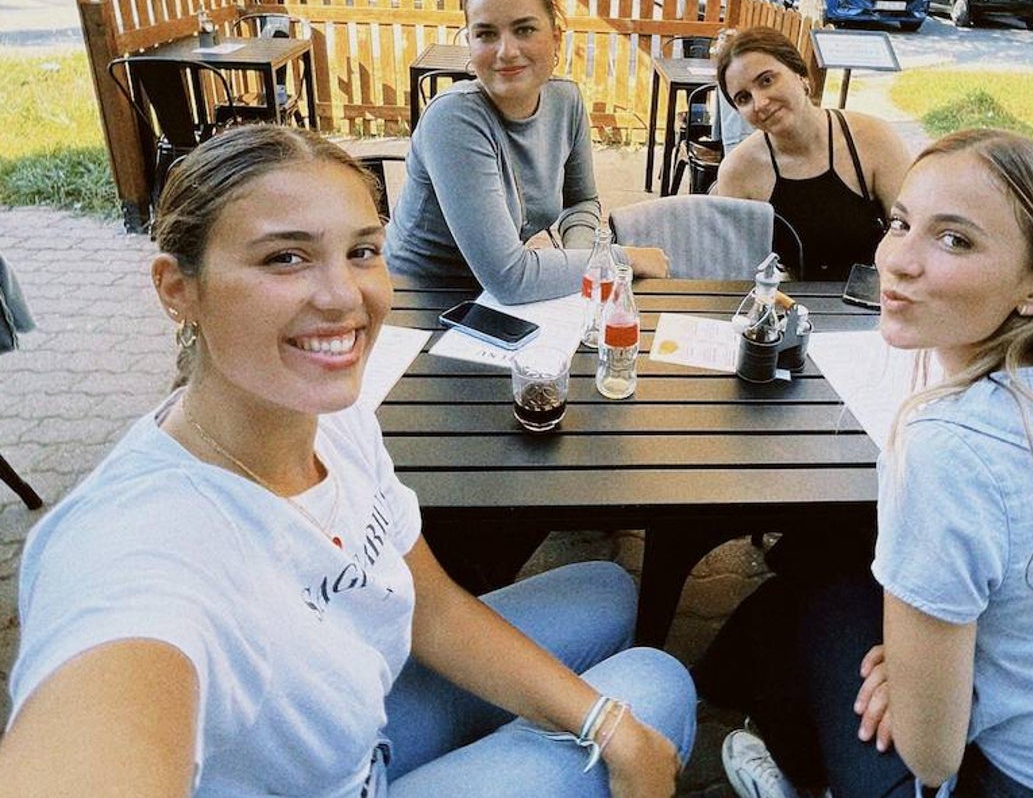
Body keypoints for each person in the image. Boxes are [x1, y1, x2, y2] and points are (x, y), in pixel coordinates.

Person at [0, 125, 697, 797]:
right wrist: (619, 729)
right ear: (178, 289)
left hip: (363, 720)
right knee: (658, 684)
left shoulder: (331, 416)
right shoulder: (135, 550)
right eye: (285, 257)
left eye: (362, 251)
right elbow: (97, 722)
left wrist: (603, 724)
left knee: (608, 588)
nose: (342, 298)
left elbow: (426, 603)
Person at [700, 130, 1033, 797]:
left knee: (815, 599)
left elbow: (933, 757)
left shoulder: (946, 447)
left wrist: (916, 683)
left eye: (954, 239)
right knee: (840, 584)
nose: (897, 261)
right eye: (901, 222)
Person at [384, 0, 668, 304]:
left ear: (555, 36)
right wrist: (622, 258)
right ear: (470, 44)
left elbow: (580, 201)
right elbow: (512, 278)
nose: (506, 51)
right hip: (414, 303)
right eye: (486, 34)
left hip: (489, 301)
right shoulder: (453, 119)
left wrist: (589, 262)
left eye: (524, 30)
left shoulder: (566, 100)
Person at [711, 26, 910, 281]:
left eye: (767, 80)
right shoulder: (738, 171)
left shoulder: (874, 139)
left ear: (800, 74)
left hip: (875, 300)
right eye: (743, 98)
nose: (760, 103)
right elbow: (738, 274)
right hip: (790, 308)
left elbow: (913, 235)